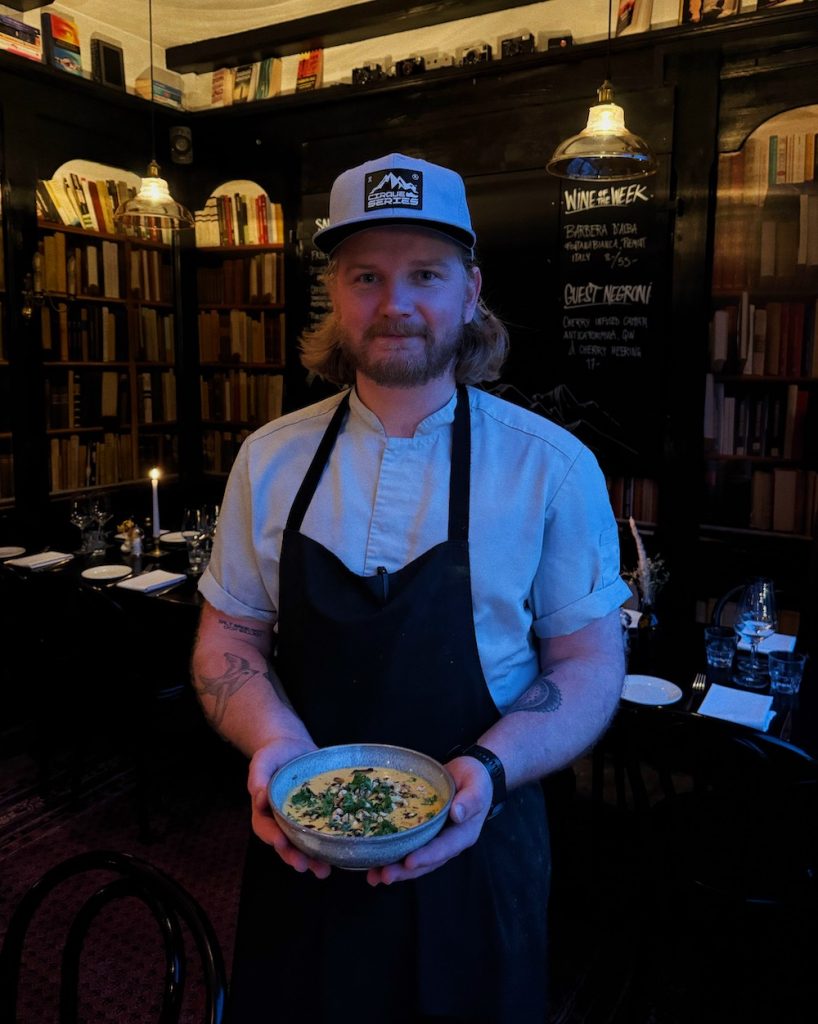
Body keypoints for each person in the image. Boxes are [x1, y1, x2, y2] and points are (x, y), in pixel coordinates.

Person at [191, 152, 629, 1023]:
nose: (396, 303)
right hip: (300, 852)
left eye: (424, 274)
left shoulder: (551, 466)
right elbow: (229, 637)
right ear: (336, 296)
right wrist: (274, 749)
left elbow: (586, 660)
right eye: (367, 276)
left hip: (480, 848)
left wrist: (488, 771)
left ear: (470, 290)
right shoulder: (270, 458)